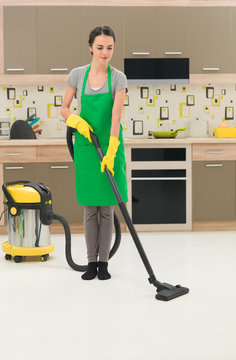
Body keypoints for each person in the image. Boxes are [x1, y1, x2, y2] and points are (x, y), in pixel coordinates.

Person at [60, 25, 128, 281]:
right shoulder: (77, 75)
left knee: (107, 210)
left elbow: (115, 116)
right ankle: (90, 262)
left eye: (109, 48)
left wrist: (112, 149)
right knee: (90, 209)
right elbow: (64, 108)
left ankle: (104, 263)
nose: (105, 52)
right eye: (100, 47)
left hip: (109, 146)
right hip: (87, 149)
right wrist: (75, 121)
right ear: (91, 47)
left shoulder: (118, 78)